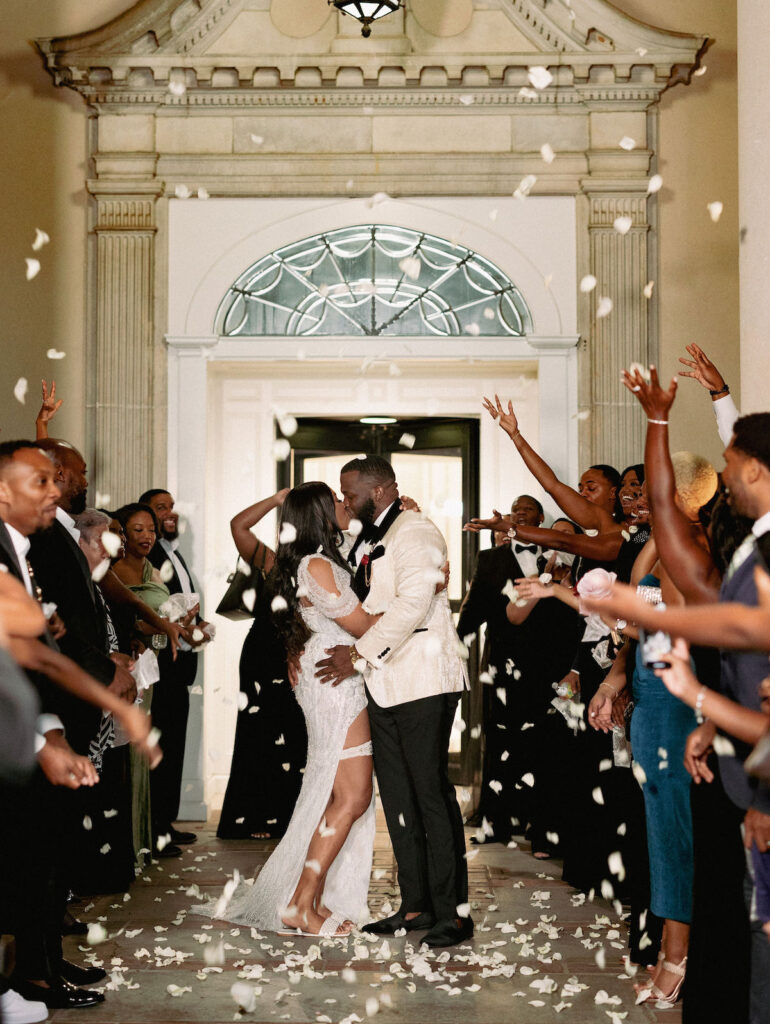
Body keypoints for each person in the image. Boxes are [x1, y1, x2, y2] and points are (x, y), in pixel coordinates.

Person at [203, 481, 381, 936]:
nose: (345, 505)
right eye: (337, 501)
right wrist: (416, 601)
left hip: (333, 678)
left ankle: (309, 900)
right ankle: (302, 903)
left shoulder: (314, 560)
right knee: (353, 795)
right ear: (321, 514)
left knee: (338, 793)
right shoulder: (317, 564)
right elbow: (360, 625)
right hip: (335, 683)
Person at [317, 456, 471, 948]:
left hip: (423, 678)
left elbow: (413, 602)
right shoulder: (368, 534)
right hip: (383, 682)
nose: (345, 502)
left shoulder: (416, 531)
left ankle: (454, 913)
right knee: (399, 798)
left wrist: (359, 652)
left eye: (350, 494)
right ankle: (416, 905)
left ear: (379, 490)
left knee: (430, 795)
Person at [217, 489, 307, 840]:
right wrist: (275, 499)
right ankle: (257, 816)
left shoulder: (331, 560)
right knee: (261, 734)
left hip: (302, 654)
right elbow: (238, 525)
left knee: (299, 735)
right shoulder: (272, 560)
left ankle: (293, 814)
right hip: (264, 654)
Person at [139, 488, 208, 850]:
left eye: (171, 508)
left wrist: (198, 627)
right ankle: (155, 829)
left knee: (174, 746)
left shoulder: (174, 554)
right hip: (161, 664)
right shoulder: (147, 560)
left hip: (180, 663)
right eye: (160, 508)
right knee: (160, 747)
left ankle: (165, 822)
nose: (170, 514)